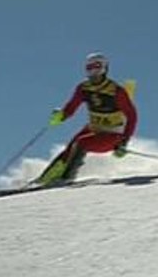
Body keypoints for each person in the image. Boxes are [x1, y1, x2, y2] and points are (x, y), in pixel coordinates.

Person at [35, 52, 138, 185]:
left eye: (97, 67)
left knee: (82, 143)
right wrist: (61, 116)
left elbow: (132, 116)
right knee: (71, 147)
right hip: (94, 129)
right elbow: (72, 107)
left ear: (105, 69)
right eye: (89, 68)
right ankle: (46, 179)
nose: (93, 72)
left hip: (112, 135)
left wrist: (124, 141)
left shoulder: (116, 91)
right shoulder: (84, 88)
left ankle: (67, 178)